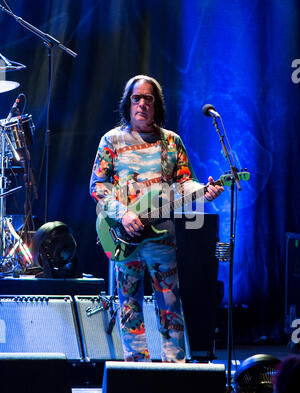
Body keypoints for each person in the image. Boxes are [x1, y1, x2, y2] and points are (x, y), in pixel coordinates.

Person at [90, 75, 223, 362]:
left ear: (156, 105)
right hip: (123, 233)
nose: (141, 104)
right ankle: (135, 366)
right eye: (136, 98)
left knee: (170, 302)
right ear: (128, 103)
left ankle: (173, 367)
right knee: (129, 305)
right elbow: (98, 187)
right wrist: (123, 214)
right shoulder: (111, 140)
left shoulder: (171, 142)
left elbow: (185, 183)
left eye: (147, 98)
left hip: (161, 235)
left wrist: (205, 191)